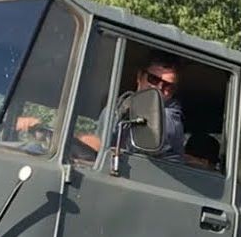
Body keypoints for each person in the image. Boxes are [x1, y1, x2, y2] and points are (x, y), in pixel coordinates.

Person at [15, 53, 186, 160]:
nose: (159, 88)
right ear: (140, 77)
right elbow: (98, 149)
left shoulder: (169, 119)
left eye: (168, 86)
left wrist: (63, 138)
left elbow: (111, 148)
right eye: (154, 80)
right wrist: (46, 132)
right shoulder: (116, 109)